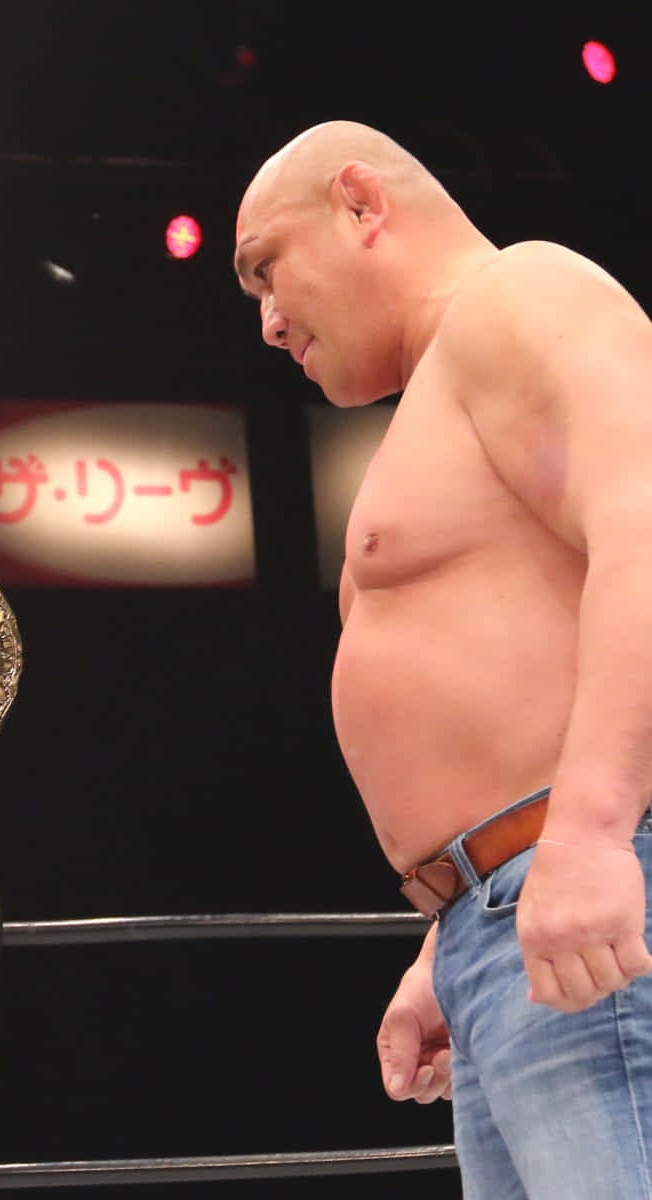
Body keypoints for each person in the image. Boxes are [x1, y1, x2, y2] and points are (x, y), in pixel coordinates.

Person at [234, 120, 652, 1197]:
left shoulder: (523, 294)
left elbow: (648, 531)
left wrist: (591, 835)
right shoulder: (443, 396)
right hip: (504, 923)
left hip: (581, 885)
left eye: (267, 269)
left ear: (361, 203)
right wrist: (448, 938)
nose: (269, 321)